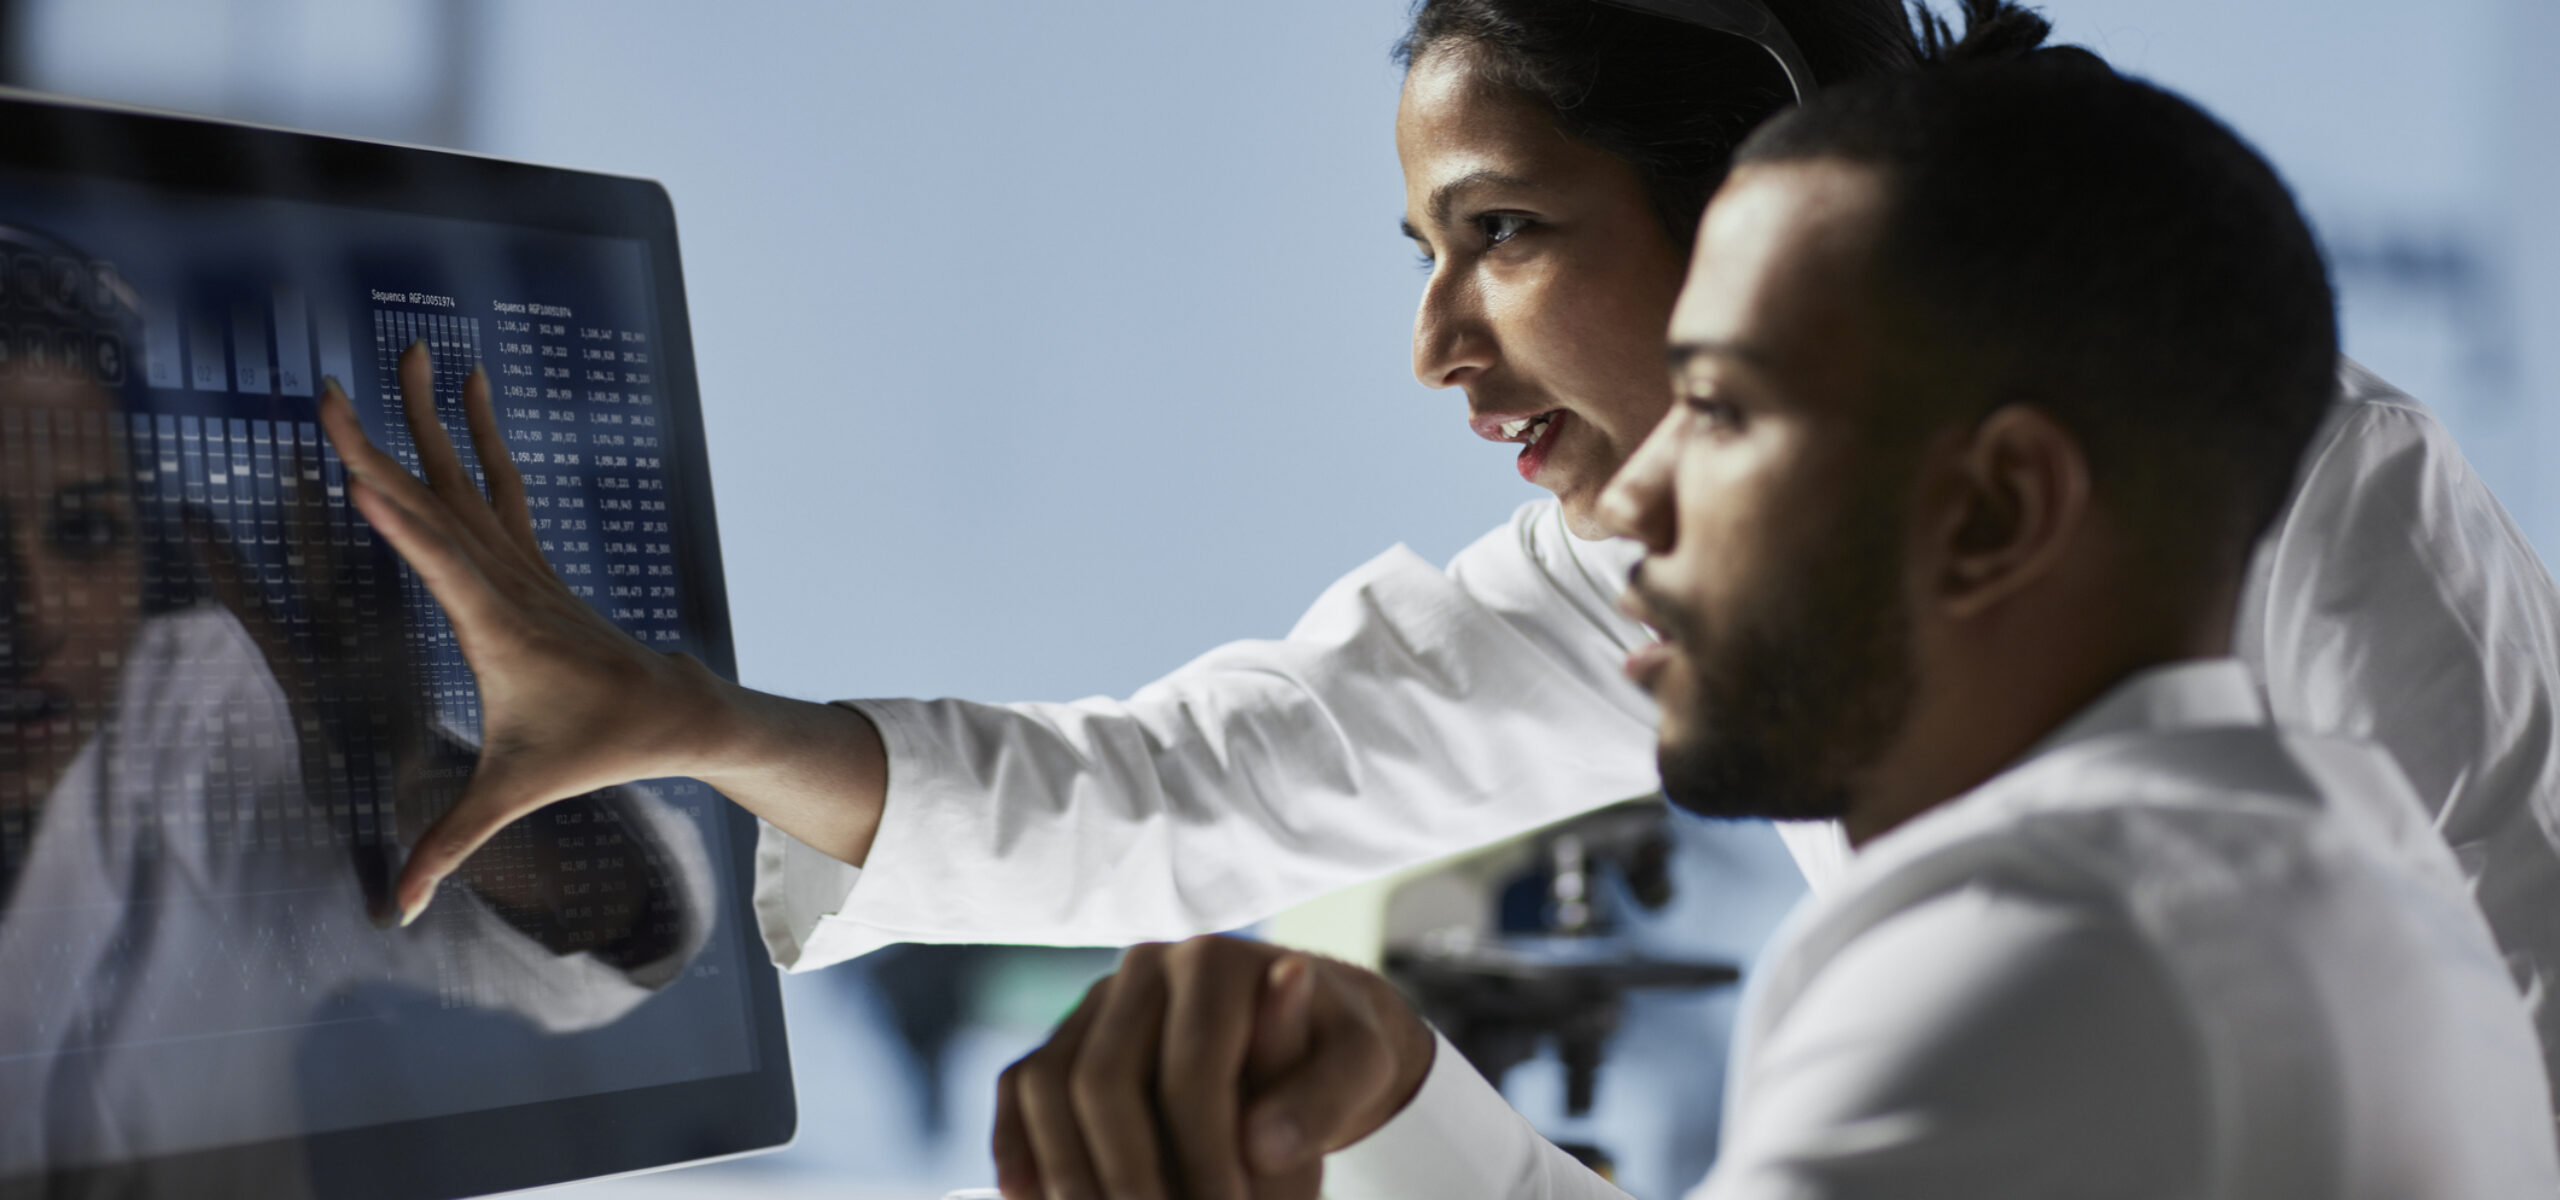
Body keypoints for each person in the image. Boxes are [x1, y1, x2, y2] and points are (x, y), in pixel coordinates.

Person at [323, 0, 2560, 1118]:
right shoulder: (1650, 563)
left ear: (1781, 195)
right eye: (1421, 250)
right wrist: (703, 731)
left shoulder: (2296, 511)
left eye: (1498, 235)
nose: (1432, 344)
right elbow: (1186, 788)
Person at [990, 30, 2560, 1198]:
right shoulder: (2309, 878)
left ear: (2001, 502)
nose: (1638, 508)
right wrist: (1402, 1104)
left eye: (1724, 412)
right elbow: (1213, 766)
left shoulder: (2052, 960)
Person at [0, 230, 716, 1191]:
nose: (34, 615)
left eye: (86, 532)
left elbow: (630, 930)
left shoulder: (197, 721)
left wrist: (424, 779)